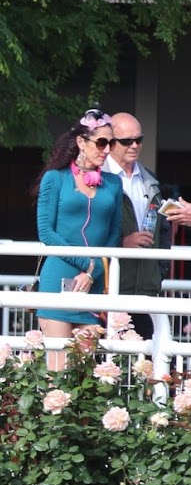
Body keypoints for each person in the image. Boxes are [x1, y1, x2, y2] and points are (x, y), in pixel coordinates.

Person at [34, 108, 125, 369]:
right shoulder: (55, 178)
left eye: (111, 143)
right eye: (101, 143)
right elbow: (46, 233)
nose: (107, 150)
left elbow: (113, 234)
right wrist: (88, 264)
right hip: (58, 279)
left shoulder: (113, 184)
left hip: (92, 282)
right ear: (81, 143)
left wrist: (93, 271)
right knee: (58, 371)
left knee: (84, 377)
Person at [103, 112, 165, 339]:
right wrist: (121, 243)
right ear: (110, 142)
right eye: (126, 141)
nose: (134, 145)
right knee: (105, 365)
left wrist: (159, 270)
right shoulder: (97, 178)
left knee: (145, 364)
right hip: (108, 288)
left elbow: (163, 231)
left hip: (145, 290)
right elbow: (87, 232)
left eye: (139, 139)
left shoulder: (149, 178)